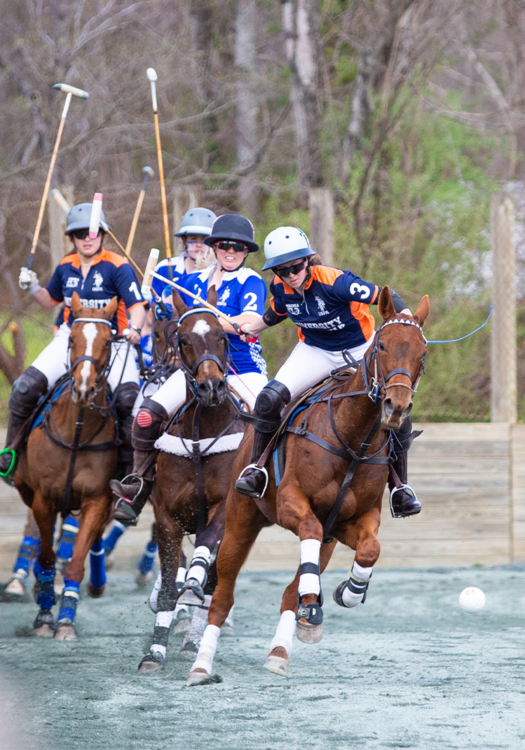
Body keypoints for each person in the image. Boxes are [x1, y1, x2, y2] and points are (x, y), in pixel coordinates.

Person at [233, 226, 421, 518]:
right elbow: (277, 312)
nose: (291, 275)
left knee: (397, 410)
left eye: (296, 266)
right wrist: (255, 326)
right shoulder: (280, 288)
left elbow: (388, 295)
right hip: (316, 351)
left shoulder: (337, 282)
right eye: (283, 271)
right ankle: (257, 469)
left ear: (308, 261)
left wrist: (407, 322)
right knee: (268, 400)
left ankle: (399, 487)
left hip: (360, 350)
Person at [110, 213, 269, 526]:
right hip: (195, 371)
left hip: (242, 368)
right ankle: (139, 484)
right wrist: (156, 304)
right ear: (215, 247)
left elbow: (249, 323)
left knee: (271, 415)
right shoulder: (191, 281)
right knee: (146, 415)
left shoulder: (250, 280)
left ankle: (266, 482)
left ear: (246, 251)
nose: (231, 251)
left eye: (239, 246)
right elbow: (170, 315)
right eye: (225, 245)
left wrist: (205, 321)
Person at [0, 202, 146, 480]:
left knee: (128, 402)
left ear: (103, 234)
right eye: (80, 234)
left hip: (113, 341)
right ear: (72, 238)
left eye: (93, 233)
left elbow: (136, 305)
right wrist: (32, 287)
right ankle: (12, 453)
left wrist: (135, 328)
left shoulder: (118, 266)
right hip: (71, 338)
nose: (87, 239)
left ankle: (128, 473)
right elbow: (50, 299)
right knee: (24, 388)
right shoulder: (67, 265)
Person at [150, 206, 217, 305]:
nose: (198, 245)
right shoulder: (164, 268)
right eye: (193, 238)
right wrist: (162, 305)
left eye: (204, 239)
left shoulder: (218, 270)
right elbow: (151, 306)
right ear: (185, 240)